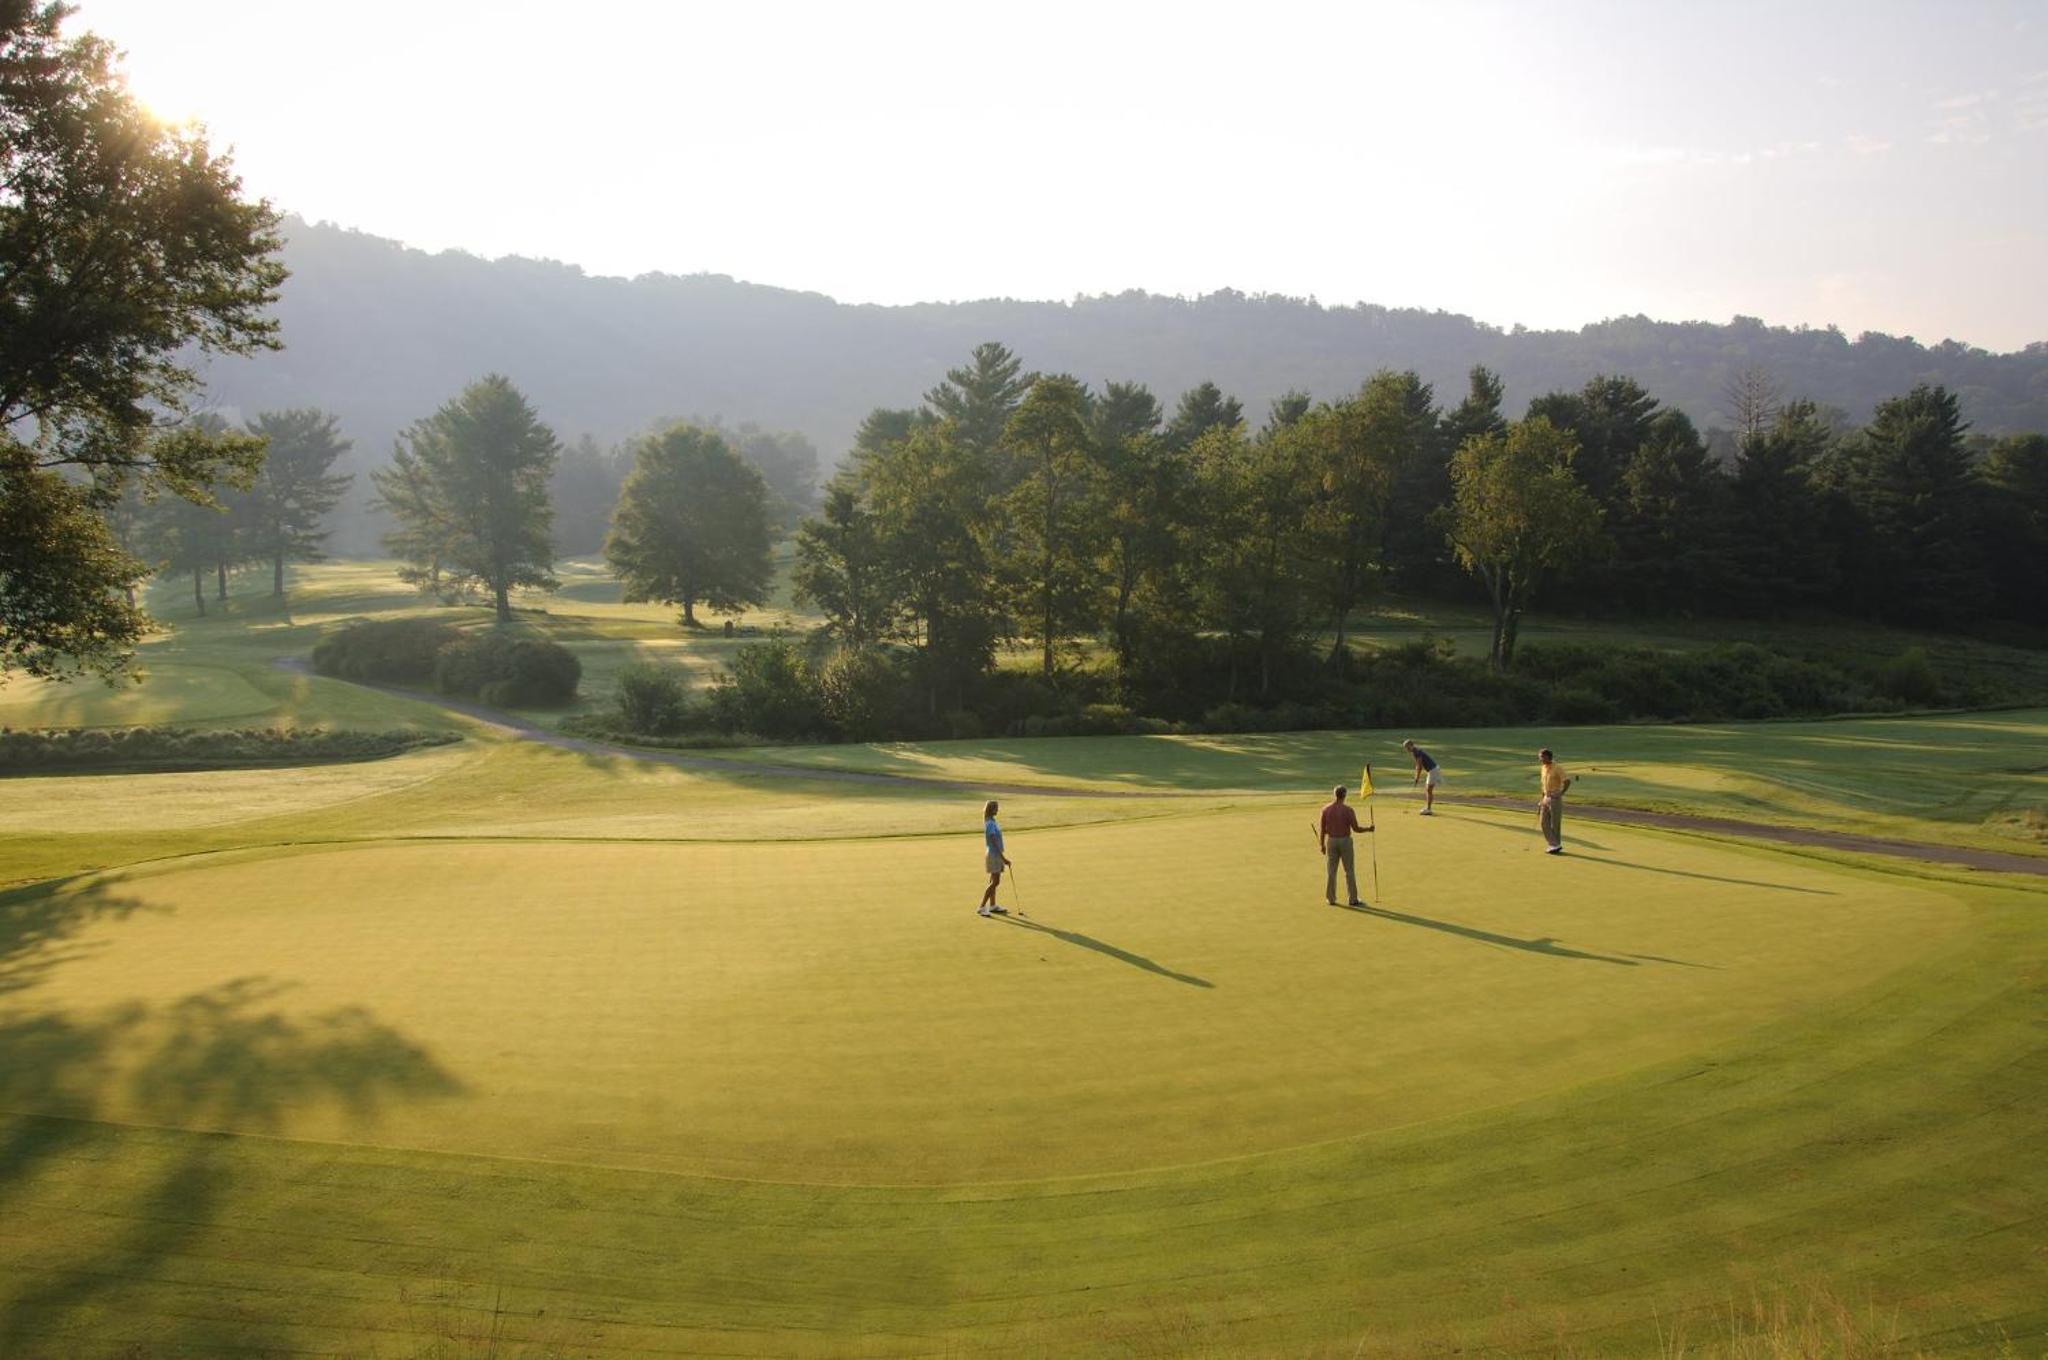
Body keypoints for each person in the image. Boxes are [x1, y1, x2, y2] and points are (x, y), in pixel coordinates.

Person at [1317, 785, 1371, 906]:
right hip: (1345, 841)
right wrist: (1369, 829)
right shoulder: (1348, 810)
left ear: (1335, 794)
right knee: (1349, 870)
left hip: (1331, 841)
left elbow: (1322, 829)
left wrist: (1322, 845)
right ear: (1344, 795)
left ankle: (1331, 898)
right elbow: (1356, 829)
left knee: (1331, 871)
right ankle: (1353, 899)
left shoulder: (1326, 809)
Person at [978, 799, 1012, 916]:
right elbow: (994, 842)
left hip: (994, 854)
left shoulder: (992, 821)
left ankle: (992, 905)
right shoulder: (990, 824)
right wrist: (1003, 858)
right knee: (995, 882)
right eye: (996, 808)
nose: (998, 810)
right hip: (994, 855)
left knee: (993, 881)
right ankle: (982, 906)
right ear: (991, 809)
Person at [1537, 748, 1573, 854]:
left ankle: (1554, 845)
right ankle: (1554, 844)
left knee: (1555, 823)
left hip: (1555, 797)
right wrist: (1541, 800)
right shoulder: (1543, 768)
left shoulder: (1557, 767)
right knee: (1543, 822)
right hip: (1545, 797)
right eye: (1540, 757)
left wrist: (1561, 793)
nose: (1540, 759)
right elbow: (1543, 785)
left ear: (1548, 757)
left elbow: (1567, 781)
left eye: (1542, 757)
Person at [1402, 738, 1442, 815]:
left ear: (1411, 745)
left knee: (1428, 790)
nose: (1406, 749)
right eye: (1405, 748)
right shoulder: (1415, 751)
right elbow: (1418, 765)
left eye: (1407, 747)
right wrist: (1417, 776)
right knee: (1428, 789)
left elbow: (1419, 766)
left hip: (1433, 770)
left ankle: (1428, 809)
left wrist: (1417, 777)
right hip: (1432, 770)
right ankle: (1428, 808)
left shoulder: (1417, 752)